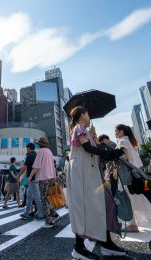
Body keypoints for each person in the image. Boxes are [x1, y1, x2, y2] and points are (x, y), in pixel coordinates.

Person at [67, 106, 127, 259]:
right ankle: (79, 248)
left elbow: (97, 152)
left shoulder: (85, 131)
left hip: (91, 175)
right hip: (82, 174)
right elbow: (88, 149)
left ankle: (105, 242)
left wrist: (95, 138)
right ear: (82, 115)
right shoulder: (78, 128)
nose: (89, 115)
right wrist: (112, 152)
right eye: (87, 112)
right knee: (85, 209)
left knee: (105, 204)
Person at [28, 137, 59, 228]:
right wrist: (54, 177)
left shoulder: (41, 152)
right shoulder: (49, 151)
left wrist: (30, 176)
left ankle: (48, 221)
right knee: (46, 197)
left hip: (43, 177)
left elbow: (36, 166)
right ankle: (54, 213)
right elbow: (53, 165)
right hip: (50, 177)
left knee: (43, 198)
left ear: (40, 144)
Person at [17, 143, 44, 220]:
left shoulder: (29, 156)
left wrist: (18, 176)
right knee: (29, 196)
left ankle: (41, 213)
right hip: (35, 178)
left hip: (31, 179)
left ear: (28, 148)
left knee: (36, 196)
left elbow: (24, 168)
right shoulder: (36, 155)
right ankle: (26, 213)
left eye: (27, 148)